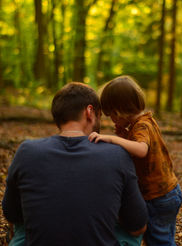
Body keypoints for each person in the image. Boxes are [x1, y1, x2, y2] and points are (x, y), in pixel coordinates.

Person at [2, 82, 148, 246]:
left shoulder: (26, 151)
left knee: (22, 226)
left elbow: (11, 213)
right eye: (100, 115)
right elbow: (138, 227)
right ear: (89, 112)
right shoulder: (117, 154)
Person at [89, 75, 182, 246]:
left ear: (118, 111)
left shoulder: (141, 126)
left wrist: (112, 139)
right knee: (163, 237)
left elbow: (141, 150)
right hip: (167, 192)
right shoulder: (146, 121)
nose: (112, 120)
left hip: (158, 196)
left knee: (159, 241)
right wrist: (125, 136)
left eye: (111, 115)